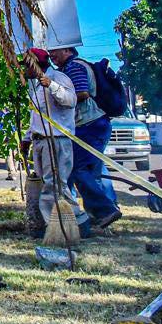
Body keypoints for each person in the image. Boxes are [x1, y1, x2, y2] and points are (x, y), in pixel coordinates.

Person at [50, 45, 122, 230]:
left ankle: (104, 210)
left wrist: (59, 95)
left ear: (67, 50)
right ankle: (107, 210)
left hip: (89, 124)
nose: (52, 55)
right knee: (94, 169)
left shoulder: (74, 67)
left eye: (55, 51)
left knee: (77, 168)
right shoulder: (69, 68)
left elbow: (82, 93)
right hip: (93, 124)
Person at [22, 48, 91, 239]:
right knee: (52, 184)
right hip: (41, 141)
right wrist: (27, 138)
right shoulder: (35, 87)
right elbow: (37, 116)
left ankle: (64, 226)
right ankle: (68, 224)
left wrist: (51, 85)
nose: (24, 71)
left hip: (56, 140)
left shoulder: (59, 78)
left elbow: (70, 101)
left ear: (36, 65)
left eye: (26, 66)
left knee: (55, 185)